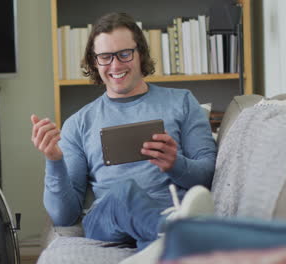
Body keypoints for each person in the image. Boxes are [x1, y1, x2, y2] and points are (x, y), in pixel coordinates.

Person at [31, 12, 217, 250]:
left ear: (140, 54)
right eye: (105, 57)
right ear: (94, 62)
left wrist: (175, 164)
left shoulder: (181, 102)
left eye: (124, 54)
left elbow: (209, 174)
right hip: (108, 220)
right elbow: (63, 217)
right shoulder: (78, 123)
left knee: (152, 231)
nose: (115, 65)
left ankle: (157, 243)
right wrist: (54, 161)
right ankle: (172, 237)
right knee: (123, 192)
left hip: (171, 209)